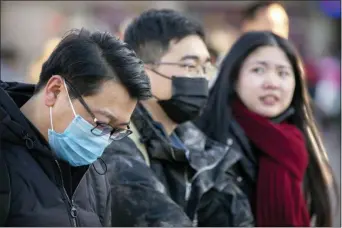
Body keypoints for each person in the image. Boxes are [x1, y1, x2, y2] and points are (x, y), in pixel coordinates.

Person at [103, 9, 253, 226]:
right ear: (142, 72)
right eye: (189, 66)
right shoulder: (113, 140)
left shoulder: (198, 148)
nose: (201, 78)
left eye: (205, 67)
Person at [0, 28, 151, 226]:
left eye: (117, 131)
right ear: (55, 91)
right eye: (102, 123)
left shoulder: (94, 173)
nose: (103, 139)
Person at [195, 31, 338, 227]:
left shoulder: (297, 144)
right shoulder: (205, 142)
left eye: (283, 73)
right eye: (258, 70)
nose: (272, 83)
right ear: (234, 77)